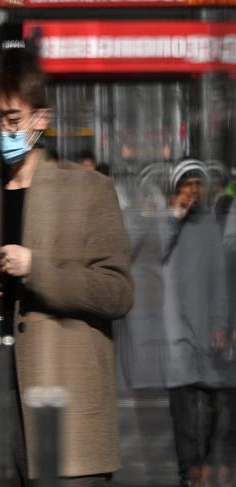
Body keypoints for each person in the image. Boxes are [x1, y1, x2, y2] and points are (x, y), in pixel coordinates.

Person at [0, 49, 133, 485]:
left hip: (66, 404)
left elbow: (116, 292)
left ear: (41, 118)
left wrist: (35, 267)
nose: (1, 129)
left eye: (12, 118)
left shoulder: (87, 189)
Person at [163, 159, 235, 487]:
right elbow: (149, 256)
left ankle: (201, 464)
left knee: (212, 408)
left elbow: (219, 277)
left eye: (196, 186)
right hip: (173, 333)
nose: (191, 192)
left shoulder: (206, 225)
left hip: (204, 328)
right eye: (186, 185)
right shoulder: (161, 221)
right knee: (183, 413)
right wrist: (172, 217)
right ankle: (189, 473)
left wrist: (220, 323)